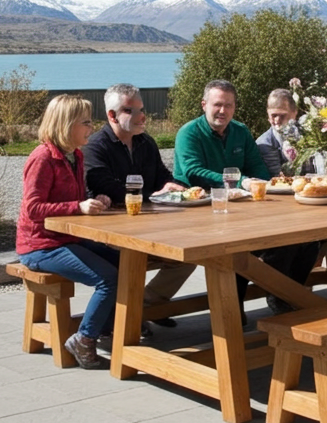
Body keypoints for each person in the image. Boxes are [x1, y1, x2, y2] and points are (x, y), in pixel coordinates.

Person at [174, 79, 319, 316]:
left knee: (307, 240)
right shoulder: (189, 133)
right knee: (242, 250)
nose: (223, 111)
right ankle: (236, 311)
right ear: (204, 105)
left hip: (242, 209)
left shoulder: (240, 131)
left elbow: (258, 170)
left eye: (228, 105)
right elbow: (193, 171)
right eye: (217, 104)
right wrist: (241, 181)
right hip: (200, 211)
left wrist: (261, 183)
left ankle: (284, 296)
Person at [15, 94, 116, 370]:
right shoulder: (43, 158)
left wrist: (96, 202)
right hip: (40, 246)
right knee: (108, 278)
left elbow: (76, 199)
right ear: (66, 124)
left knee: (123, 261)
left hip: (66, 238)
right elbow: (33, 208)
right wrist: (78, 206)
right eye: (85, 122)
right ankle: (84, 339)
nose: (91, 127)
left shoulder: (76, 155)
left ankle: (106, 327)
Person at [86, 83, 196, 321]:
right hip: (111, 234)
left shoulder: (146, 141)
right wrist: (154, 195)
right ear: (111, 115)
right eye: (130, 110)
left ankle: (142, 309)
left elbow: (162, 175)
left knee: (187, 256)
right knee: (131, 261)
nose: (141, 116)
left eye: (141, 109)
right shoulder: (95, 147)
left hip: (148, 227)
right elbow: (111, 190)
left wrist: (172, 185)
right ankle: (124, 319)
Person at [256, 88, 309, 176]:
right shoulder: (265, 143)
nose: (277, 120)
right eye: (274, 115)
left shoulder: (309, 135)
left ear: (295, 112)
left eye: (282, 115)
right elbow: (277, 177)